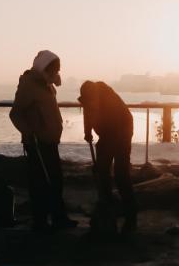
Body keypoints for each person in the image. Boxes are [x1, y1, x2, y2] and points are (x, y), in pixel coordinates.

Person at [9, 50, 75, 231]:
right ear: (45, 68)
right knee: (41, 183)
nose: (58, 72)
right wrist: (29, 133)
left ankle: (58, 217)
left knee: (55, 181)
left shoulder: (46, 84)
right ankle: (41, 221)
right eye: (56, 68)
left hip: (50, 141)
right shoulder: (29, 85)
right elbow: (15, 113)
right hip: (38, 143)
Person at [78, 80, 138, 235]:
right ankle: (107, 206)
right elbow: (88, 112)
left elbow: (114, 133)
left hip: (122, 131)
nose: (89, 105)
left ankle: (131, 217)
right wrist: (87, 131)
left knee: (121, 174)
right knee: (101, 171)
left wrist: (103, 157)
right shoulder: (89, 98)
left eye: (91, 102)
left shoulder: (110, 100)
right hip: (107, 133)